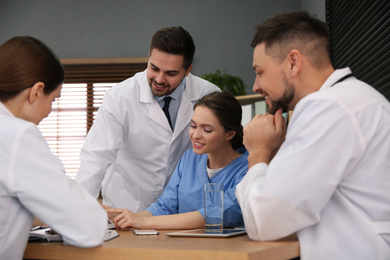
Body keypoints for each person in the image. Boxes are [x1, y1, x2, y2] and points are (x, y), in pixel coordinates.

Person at [236, 10, 390, 260]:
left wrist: (258, 153)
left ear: (293, 62)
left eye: (260, 71)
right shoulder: (351, 100)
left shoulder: (329, 108)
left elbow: (265, 222)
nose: (255, 86)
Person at [76, 26, 220, 212]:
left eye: (171, 73)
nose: (159, 79)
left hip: (183, 209)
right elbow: (96, 157)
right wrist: (77, 210)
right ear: (149, 58)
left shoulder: (209, 95)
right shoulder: (120, 97)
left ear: (187, 70)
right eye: (154, 68)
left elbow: (220, 156)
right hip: (128, 206)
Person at [0, 36, 107, 260]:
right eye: (54, 100)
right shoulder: (17, 135)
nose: (49, 110)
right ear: (37, 91)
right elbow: (90, 228)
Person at [105, 91, 248, 230]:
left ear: (230, 134)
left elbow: (216, 214)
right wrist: (121, 218)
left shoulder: (248, 169)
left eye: (207, 130)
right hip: (181, 247)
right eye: (193, 126)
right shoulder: (189, 159)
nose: (195, 135)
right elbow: (165, 207)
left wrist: (143, 222)